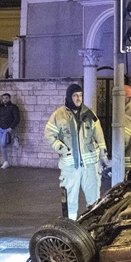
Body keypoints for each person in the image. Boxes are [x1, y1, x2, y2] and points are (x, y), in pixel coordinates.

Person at [44, 84, 109, 219]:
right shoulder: (58, 115)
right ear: (69, 97)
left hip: (90, 165)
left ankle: (93, 224)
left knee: (94, 198)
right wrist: (61, 148)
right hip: (70, 166)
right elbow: (49, 135)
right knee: (70, 198)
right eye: (75, 95)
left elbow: (99, 136)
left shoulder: (89, 114)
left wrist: (104, 157)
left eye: (80, 95)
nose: (78, 98)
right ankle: (71, 226)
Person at [0, 93, 21, 169]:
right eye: (3, 98)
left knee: (3, 143)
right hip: (1, 128)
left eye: (6, 98)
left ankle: (15, 139)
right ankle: (5, 161)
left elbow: (17, 118)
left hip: (8, 128)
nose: (4, 100)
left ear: (9, 99)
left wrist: (11, 127)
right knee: (2, 145)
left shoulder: (13, 107)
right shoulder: (1, 108)